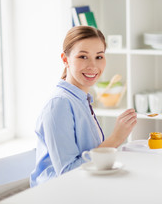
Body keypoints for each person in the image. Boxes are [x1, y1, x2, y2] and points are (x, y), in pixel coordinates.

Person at [30, 26, 137, 187]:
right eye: (83, 57)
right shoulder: (59, 104)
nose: (93, 66)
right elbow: (67, 174)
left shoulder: (81, 99)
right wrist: (115, 138)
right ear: (65, 60)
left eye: (99, 57)